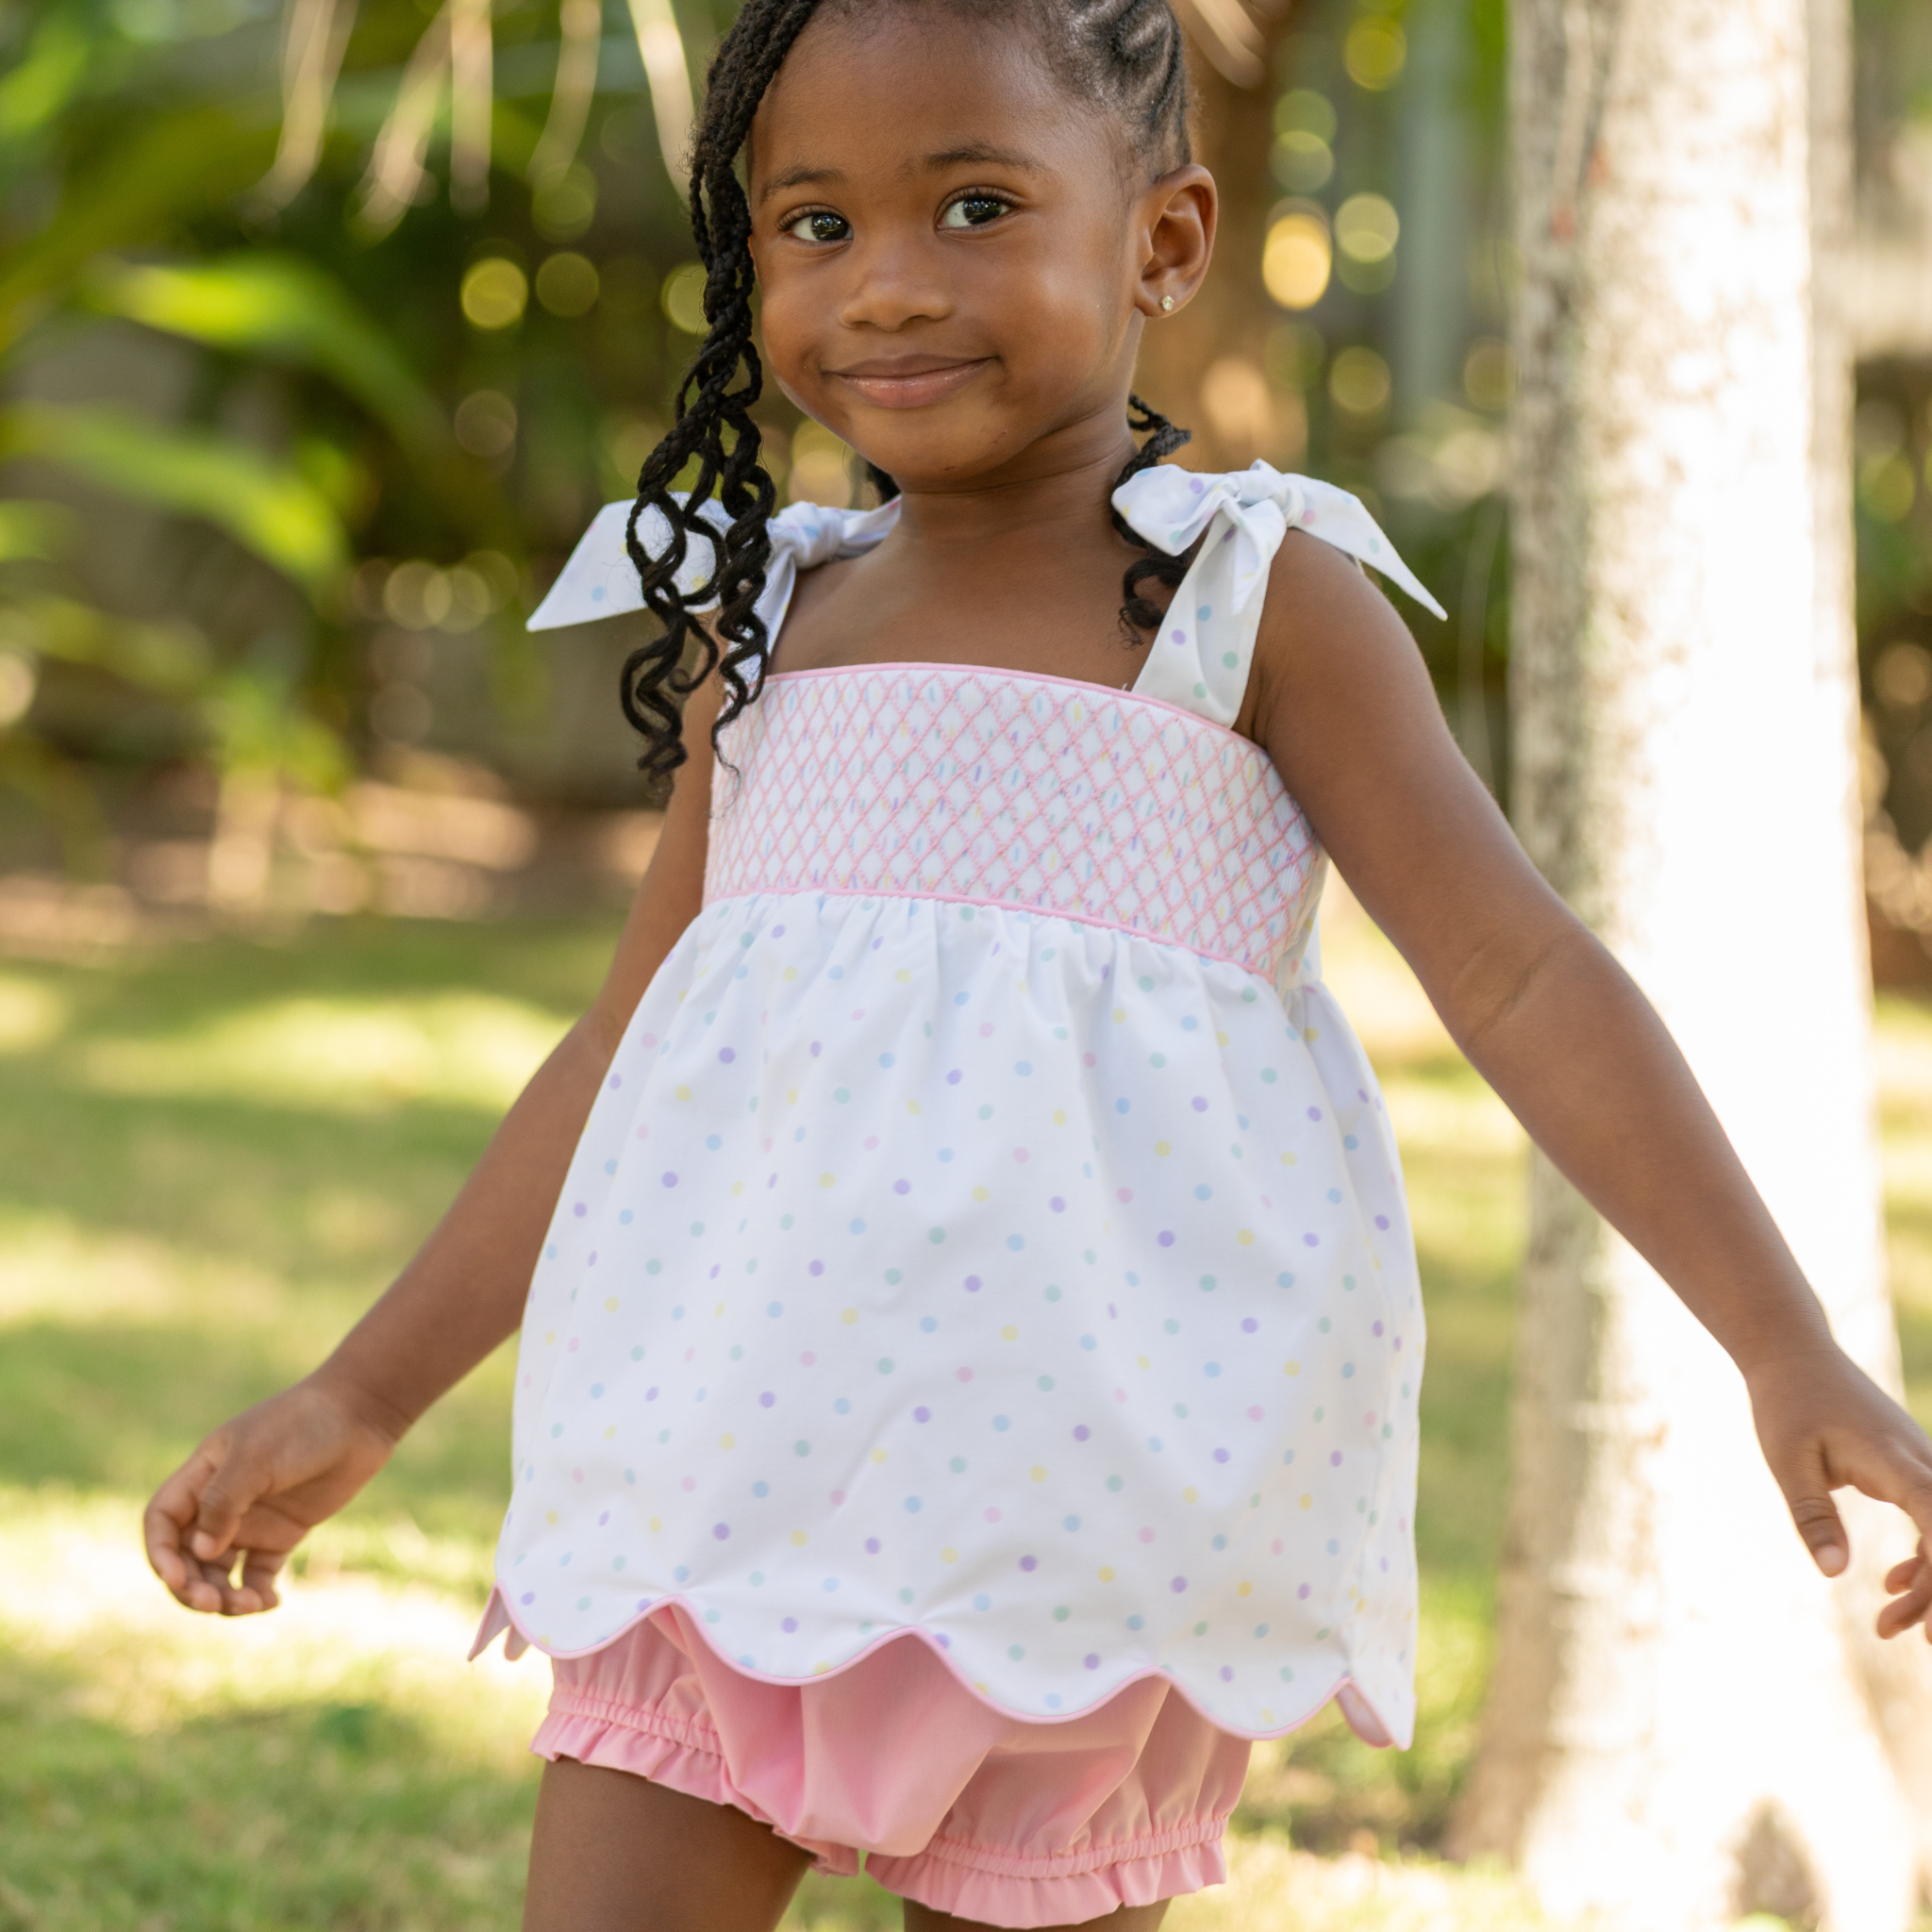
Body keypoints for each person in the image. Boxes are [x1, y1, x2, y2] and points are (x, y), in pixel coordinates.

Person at [144, 0, 1932, 1925]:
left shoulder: (1261, 606)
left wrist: (1779, 1333)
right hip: (725, 1485)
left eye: (976, 204)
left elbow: (1516, 977)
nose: (887, 287)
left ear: (1164, 237)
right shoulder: (778, 620)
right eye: (813, 224)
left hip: (1089, 1531)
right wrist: (362, 1393)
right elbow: (619, 1045)